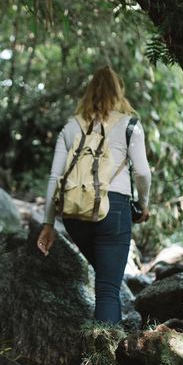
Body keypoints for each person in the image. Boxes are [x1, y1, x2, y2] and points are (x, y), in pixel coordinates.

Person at [36, 66, 151, 324]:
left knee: (106, 279)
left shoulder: (71, 127)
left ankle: (106, 338)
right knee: (108, 289)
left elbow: (55, 177)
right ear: (119, 92)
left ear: (88, 93)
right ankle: (106, 347)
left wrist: (48, 223)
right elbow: (143, 173)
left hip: (74, 213)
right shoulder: (130, 125)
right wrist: (143, 204)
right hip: (113, 211)